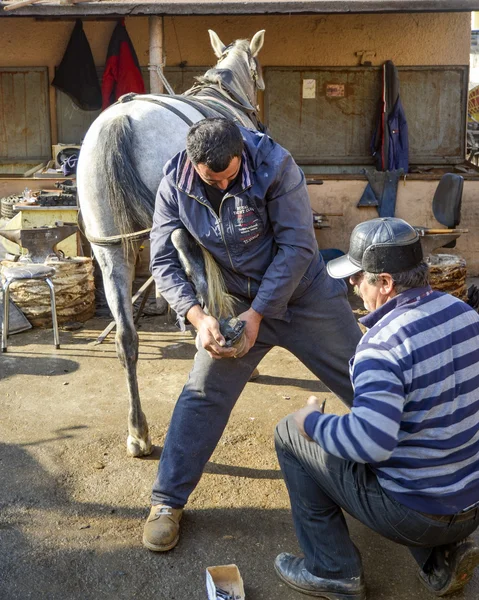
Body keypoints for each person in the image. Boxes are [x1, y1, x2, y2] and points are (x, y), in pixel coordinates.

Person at [144, 118, 363, 551]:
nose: (224, 186)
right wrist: (197, 316)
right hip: (233, 303)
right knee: (202, 393)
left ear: (240, 153)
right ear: (194, 165)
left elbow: (299, 247)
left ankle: (425, 470)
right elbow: (162, 261)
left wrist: (260, 313)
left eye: (229, 176)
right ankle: (167, 501)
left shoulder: (276, 166)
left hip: (304, 295)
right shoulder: (174, 184)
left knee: (367, 375)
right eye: (213, 179)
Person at [274, 217, 479, 599]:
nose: (352, 284)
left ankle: (332, 570)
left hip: (417, 515)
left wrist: (313, 424)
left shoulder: (381, 347)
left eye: (359, 277)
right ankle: (441, 559)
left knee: (289, 433)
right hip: (471, 504)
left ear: (384, 283)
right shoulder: (465, 314)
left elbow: (372, 444)